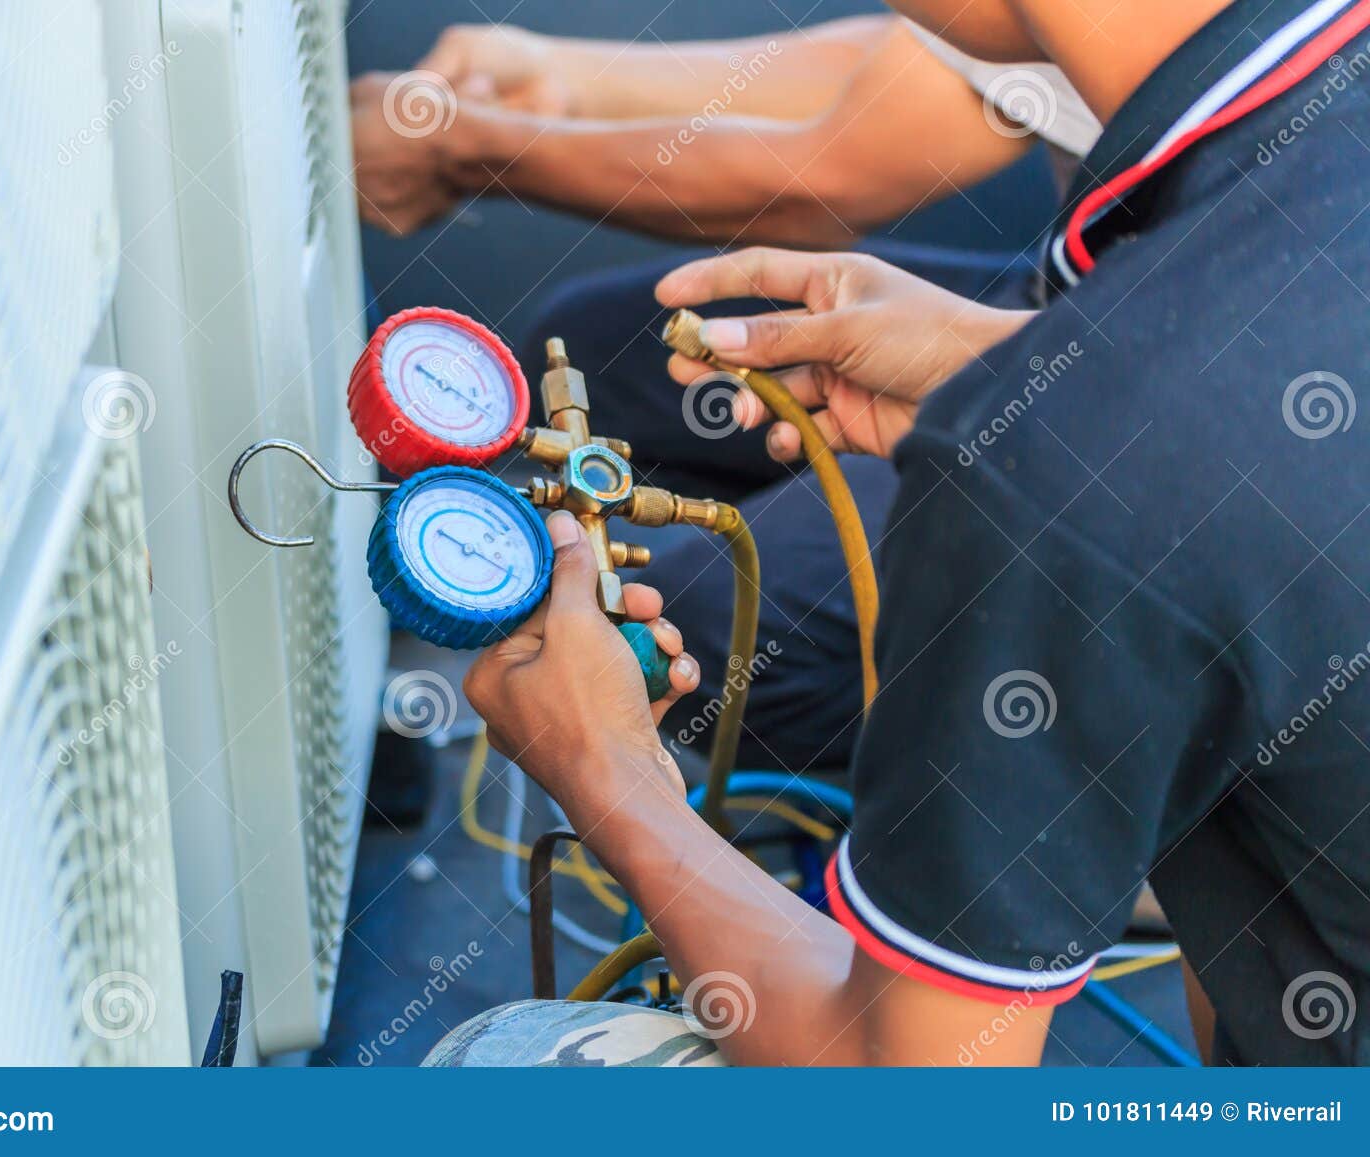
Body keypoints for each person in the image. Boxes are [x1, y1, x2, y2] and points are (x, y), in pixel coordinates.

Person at [433, 0, 1370, 1067]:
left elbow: (914, 1092)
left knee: (496, 1062)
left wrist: (607, 772)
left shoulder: (1063, 462)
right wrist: (1016, 366)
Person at [354, 15, 1099, 772]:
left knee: (705, 648)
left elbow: (827, 171)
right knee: (588, 344)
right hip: (1061, 295)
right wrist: (551, 76)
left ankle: (1068, 791)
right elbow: (923, 70)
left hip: (1127, 403)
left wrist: (460, 147)